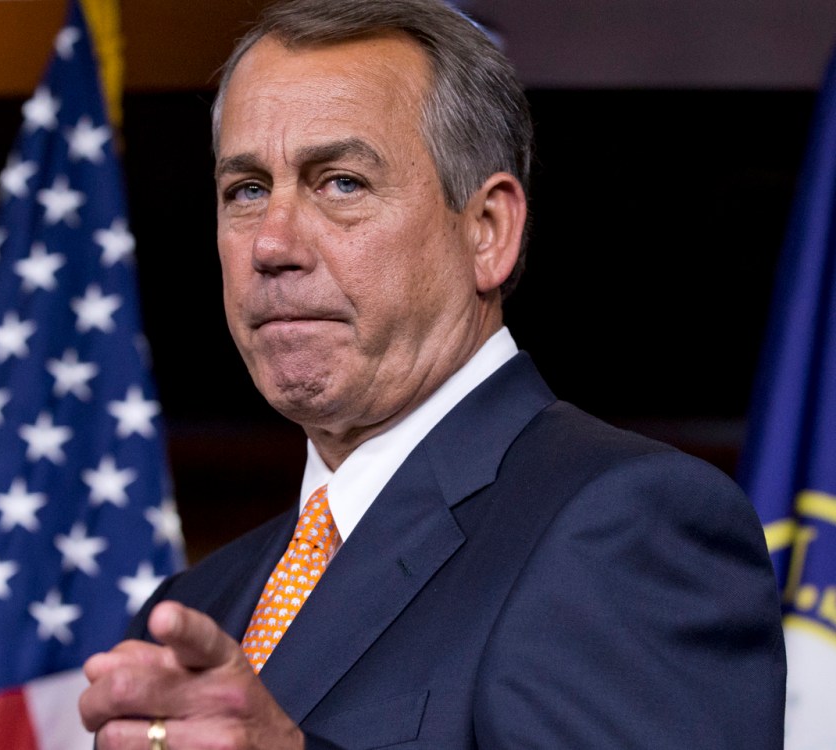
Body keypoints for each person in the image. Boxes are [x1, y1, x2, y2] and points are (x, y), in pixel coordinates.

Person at [78, 0, 787, 747]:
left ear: (488, 232)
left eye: (341, 182)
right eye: (247, 191)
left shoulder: (629, 523)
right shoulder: (195, 607)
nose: (272, 244)